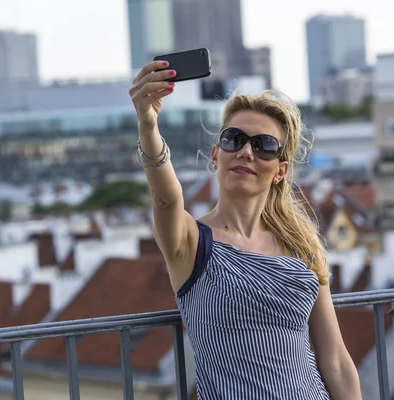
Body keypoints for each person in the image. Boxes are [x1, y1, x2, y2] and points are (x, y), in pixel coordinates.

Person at [128, 60, 362, 400]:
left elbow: (336, 360)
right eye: (233, 139)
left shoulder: (301, 246)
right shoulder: (192, 242)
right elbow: (166, 200)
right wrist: (148, 126)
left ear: (280, 170)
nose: (246, 152)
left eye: (263, 145)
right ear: (215, 156)